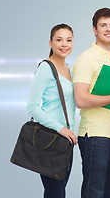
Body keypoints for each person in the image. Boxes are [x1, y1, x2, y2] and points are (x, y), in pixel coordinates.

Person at [73, 8, 110, 198]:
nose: (108, 29)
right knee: (94, 192)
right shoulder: (87, 58)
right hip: (95, 136)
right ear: (94, 29)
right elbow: (80, 99)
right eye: (103, 25)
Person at [27, 24, 77, 198]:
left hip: (67, 143)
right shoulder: (45, 69)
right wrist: (61, 129)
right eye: (59, 39)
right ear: (50, 43)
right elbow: (32, 106)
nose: (64, 44)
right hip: (51, 140)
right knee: (56, 193)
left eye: (69, 40)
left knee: (55, 193)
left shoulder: (69, 69)